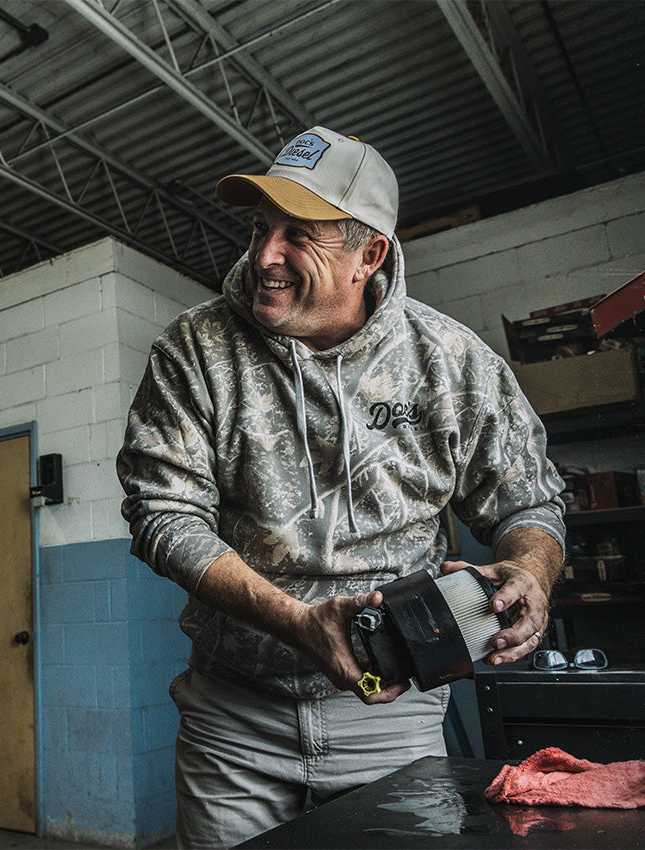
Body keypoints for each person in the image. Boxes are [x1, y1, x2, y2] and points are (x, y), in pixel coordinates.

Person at [115, 126, 566, 848]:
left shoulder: (451, 362)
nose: (265, 254)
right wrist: (296, 621)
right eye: (261, 228)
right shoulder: (194, 350)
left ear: (370, 255)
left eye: (299, 234)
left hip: (391, 716)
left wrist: (532, 568)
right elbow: (163, 515)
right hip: (234, 721)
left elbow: (528, 502)